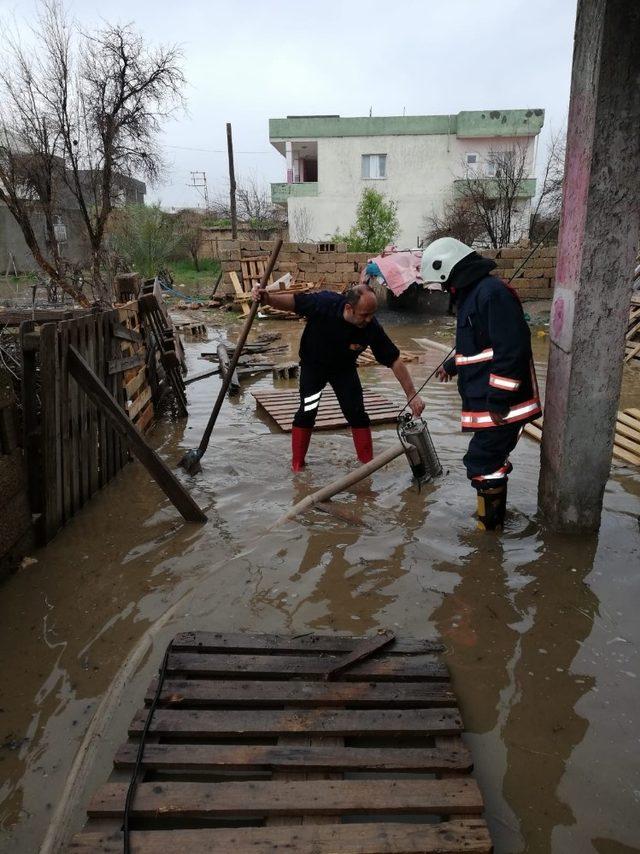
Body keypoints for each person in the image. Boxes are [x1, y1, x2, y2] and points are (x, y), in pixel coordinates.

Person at [420, 237, 542, 530]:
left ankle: (490, 530)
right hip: (487, 398)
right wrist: (453, 365)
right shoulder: (475, 295)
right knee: (485, 461)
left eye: (445, 283)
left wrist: (500, 398)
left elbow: (512, 349)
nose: (445, 291)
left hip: (502, 403)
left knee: (482, 461)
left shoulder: (491, 294)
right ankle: (492, 519)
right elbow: (481, 345)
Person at [252, 282, 425, 470]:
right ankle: (298, 466)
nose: (369, 319)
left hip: (344, 370)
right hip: (314, 368)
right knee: (308, 411)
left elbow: (394, 360)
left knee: (357, 413)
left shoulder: (371, 327)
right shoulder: (324, 304)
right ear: (349, 308)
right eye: (364, 315)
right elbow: (294, 302)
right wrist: (267, 298)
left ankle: (366, 466)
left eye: (372, 314)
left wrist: (411, 393)